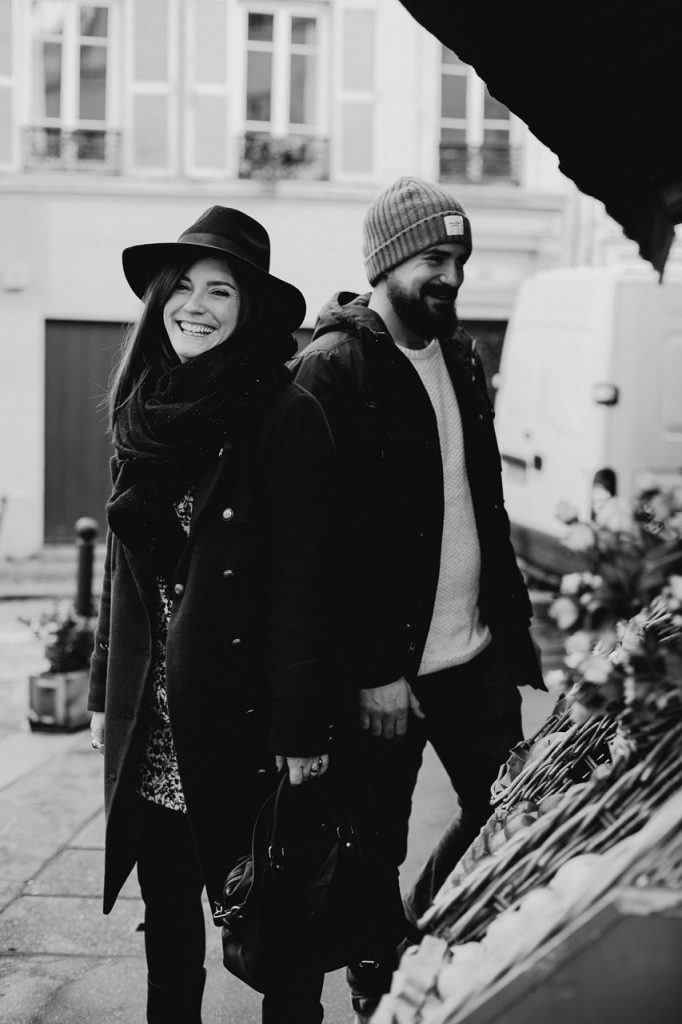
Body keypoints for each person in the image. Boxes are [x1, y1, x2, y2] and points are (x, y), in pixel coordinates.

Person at [289, 176, 545, 1020]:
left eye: (460, 259)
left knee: (511, 805)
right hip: (387, 670)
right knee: (372, 845)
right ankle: (377, 981)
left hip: (471, 651)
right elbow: (322, 547)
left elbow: (482, 498)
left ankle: (415, 933)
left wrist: (511, 630)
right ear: (387, 262)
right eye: (434, 257)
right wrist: (369, 670)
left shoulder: (462, 354)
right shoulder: (335, 367)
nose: (452, 275)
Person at [88, 206, 336, 1024]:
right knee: (169, 947)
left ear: (251, 307)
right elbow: (121, 580)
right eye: (182, 287)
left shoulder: (284, 412)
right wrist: (103, 695)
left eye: (219, 290)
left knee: (281, 942)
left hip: (247, 728)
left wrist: (302, 733)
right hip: (156, 730)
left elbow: (308, 583)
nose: (195, 305)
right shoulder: (146, 412)